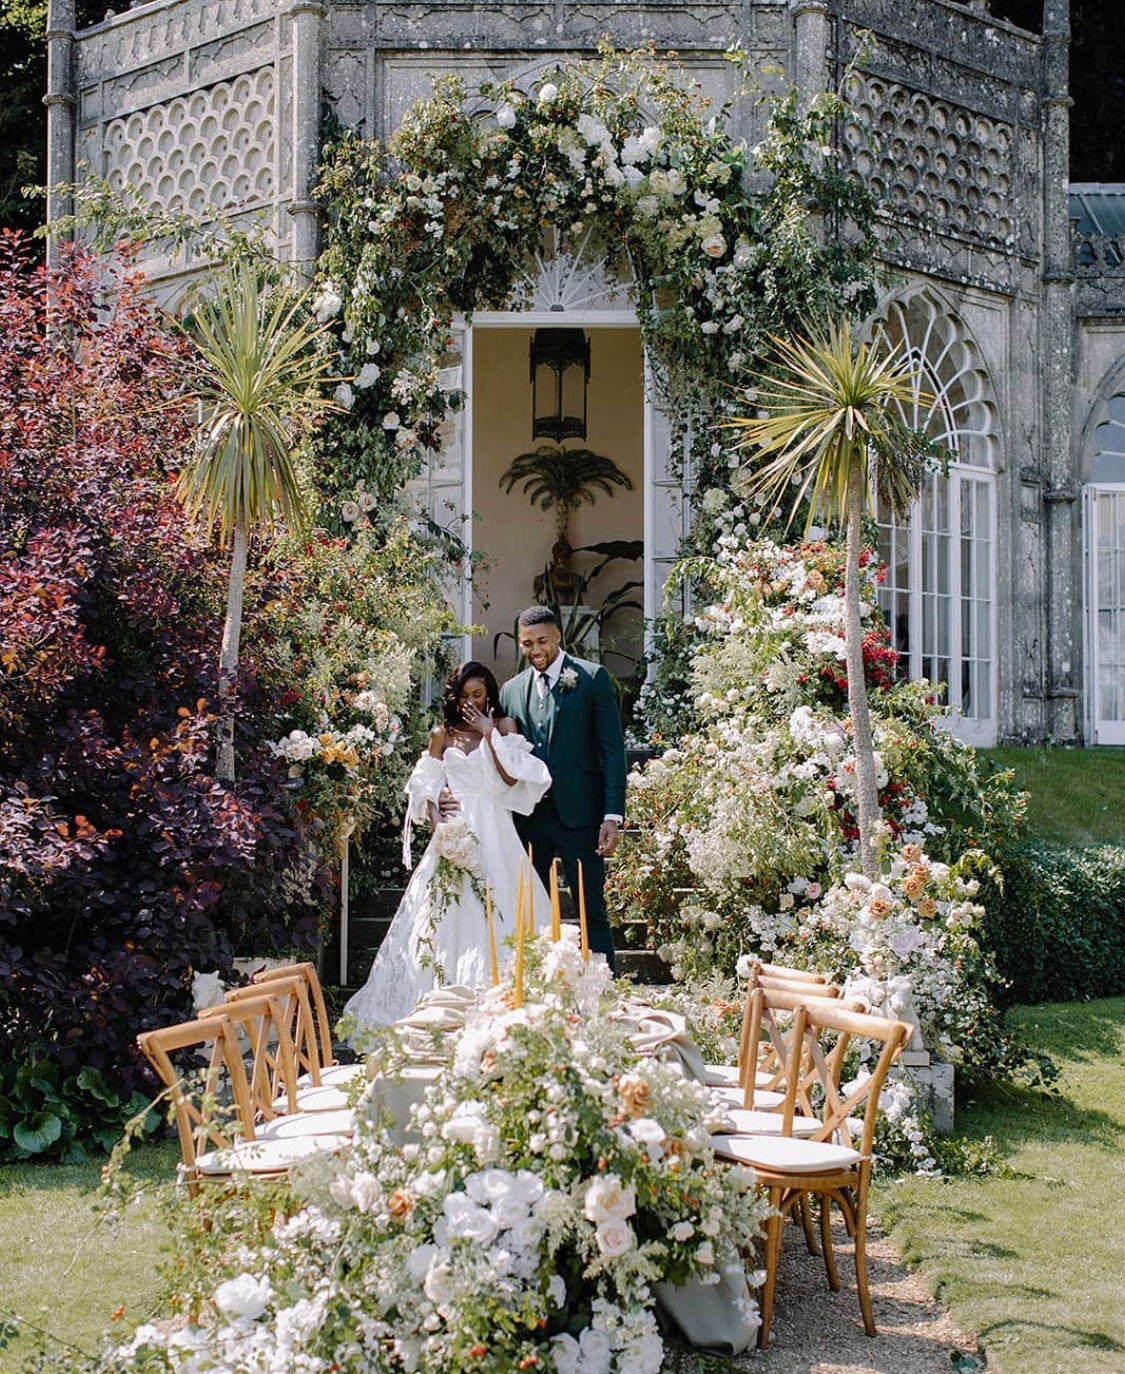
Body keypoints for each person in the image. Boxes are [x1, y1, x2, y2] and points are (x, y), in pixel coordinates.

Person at [343, 661, 551, 1029]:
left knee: (501, 908)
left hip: (496, 829)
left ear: (488, 694)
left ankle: (504, 1005)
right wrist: (438, 822)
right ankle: (441, 1002)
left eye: (478, 695)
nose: (471, 702)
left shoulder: (504, 727)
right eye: (464, 696)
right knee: (444, 914)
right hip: (456, 830)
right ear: (454, 697)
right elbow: (426, 785)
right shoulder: (442, 734)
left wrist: (488, 732)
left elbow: (511, 777)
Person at [499, 606, 627, 970]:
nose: (535, 650)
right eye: (527, 644)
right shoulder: (511, 690)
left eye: (542, 641)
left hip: (581, 815)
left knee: (591, 909)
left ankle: (603, 985)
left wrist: (612, 815)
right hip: (530, 819)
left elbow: (612, 749)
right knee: (531, 911)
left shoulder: (591, 678)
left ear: (557, 636)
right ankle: (536, 984)